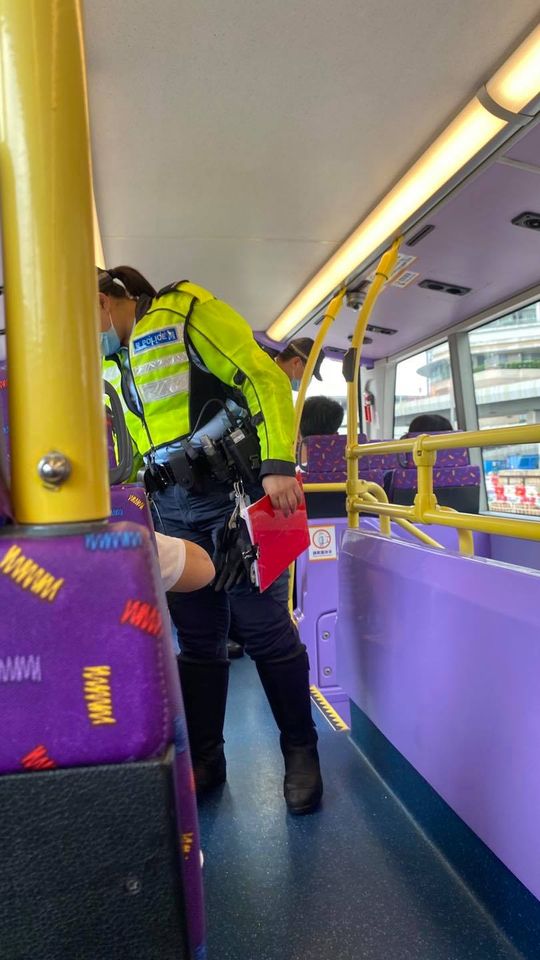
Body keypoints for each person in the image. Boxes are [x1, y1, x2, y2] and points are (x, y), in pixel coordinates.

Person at [98, 266, 322, 815]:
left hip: (237, 496)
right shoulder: (110, 362)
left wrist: (278, 466)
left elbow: (264, 378)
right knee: (197, 640)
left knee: (263, 629)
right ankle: (207, 759)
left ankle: (301, 753)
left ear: (105, 300)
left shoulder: (187, 311)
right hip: (170, 507)